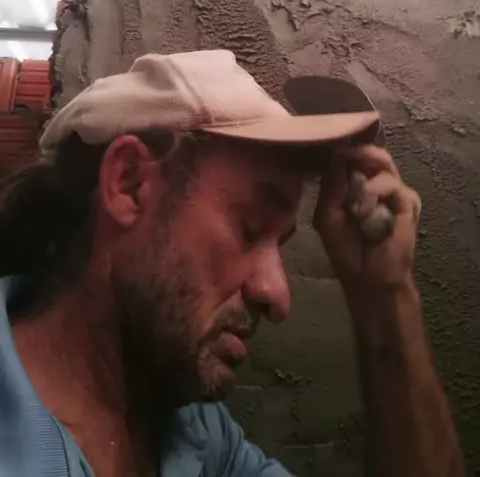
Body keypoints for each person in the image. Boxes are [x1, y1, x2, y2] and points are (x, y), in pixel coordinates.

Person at [0, 50, 463, 477]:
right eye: (250, 229)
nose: (278, 298)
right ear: (130, 184)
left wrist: (384, 293)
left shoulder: (198, 436)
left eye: (280, 243)